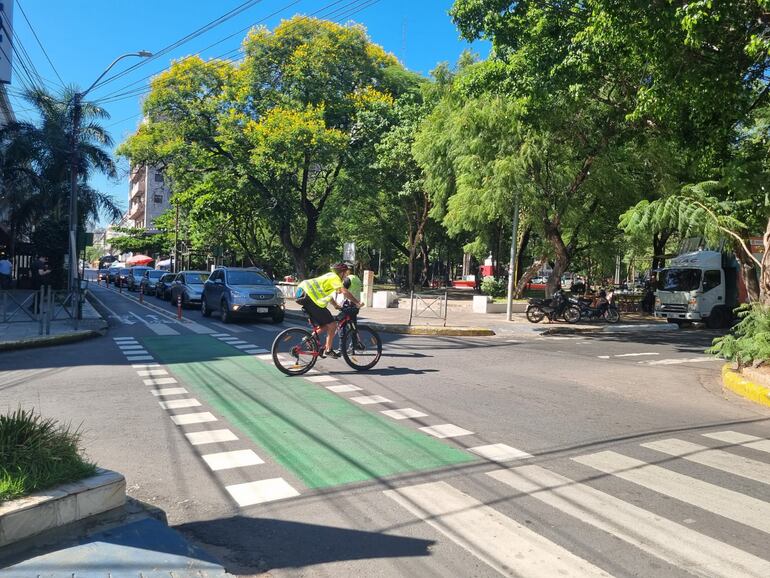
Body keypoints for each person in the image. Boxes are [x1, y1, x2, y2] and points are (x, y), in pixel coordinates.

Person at [296, 262, 363, 359]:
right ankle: (328, 350)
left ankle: (308, 339)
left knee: (325, 325)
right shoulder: (335, 278)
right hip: (310, 297)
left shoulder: (329, 276)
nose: (346, 276)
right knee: (333, 325)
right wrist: (357, 303)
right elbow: (344, 291)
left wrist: (336, 305)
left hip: (303, 293)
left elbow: (327, 294)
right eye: (345, 273)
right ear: (342, 273)